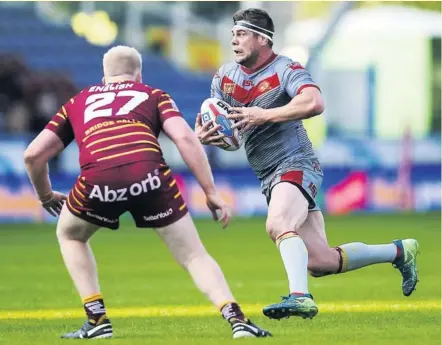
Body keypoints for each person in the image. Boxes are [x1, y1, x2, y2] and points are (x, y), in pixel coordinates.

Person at [24, 45, 271, 339]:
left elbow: (33, 155)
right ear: (139, 75)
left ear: (104, 78)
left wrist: (46, 196)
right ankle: (236, 319)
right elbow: (184, 139)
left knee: (70, 234)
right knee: (193, 255)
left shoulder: (77, 101)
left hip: (98, 179)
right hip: (149, 176)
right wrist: (210, 191)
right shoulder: (154, 95)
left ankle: (97, 319)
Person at [195, 8, 419, 321]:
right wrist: (205, 135)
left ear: (263, 39)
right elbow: (220, 126)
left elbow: (314, 102)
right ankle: (399, 251)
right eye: (233, 34)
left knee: (277, 224)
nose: (234, 40)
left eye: (242, 33)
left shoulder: (286, 68)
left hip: (296, 162)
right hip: (268, 174)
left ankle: (300, 298)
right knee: (320, 262)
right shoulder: (224, 78)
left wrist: (265, 114)